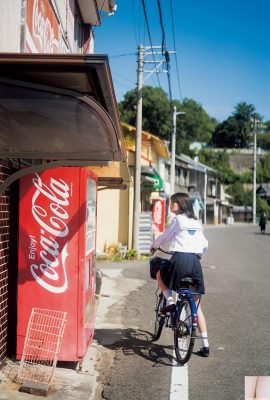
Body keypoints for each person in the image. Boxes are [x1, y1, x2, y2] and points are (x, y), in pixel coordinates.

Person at [150, 192, 209, 357]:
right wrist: (198, 254)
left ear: (181, 204)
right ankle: (205, 345)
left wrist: (154, 246)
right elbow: (205, 244)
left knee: (161, 275)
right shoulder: (197, 222)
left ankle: (169, 301)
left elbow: (165, 237)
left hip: (180, 260)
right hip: (195, 263)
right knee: (196, 305)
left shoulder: (177, 220)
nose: (170, 206)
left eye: (173, 203)